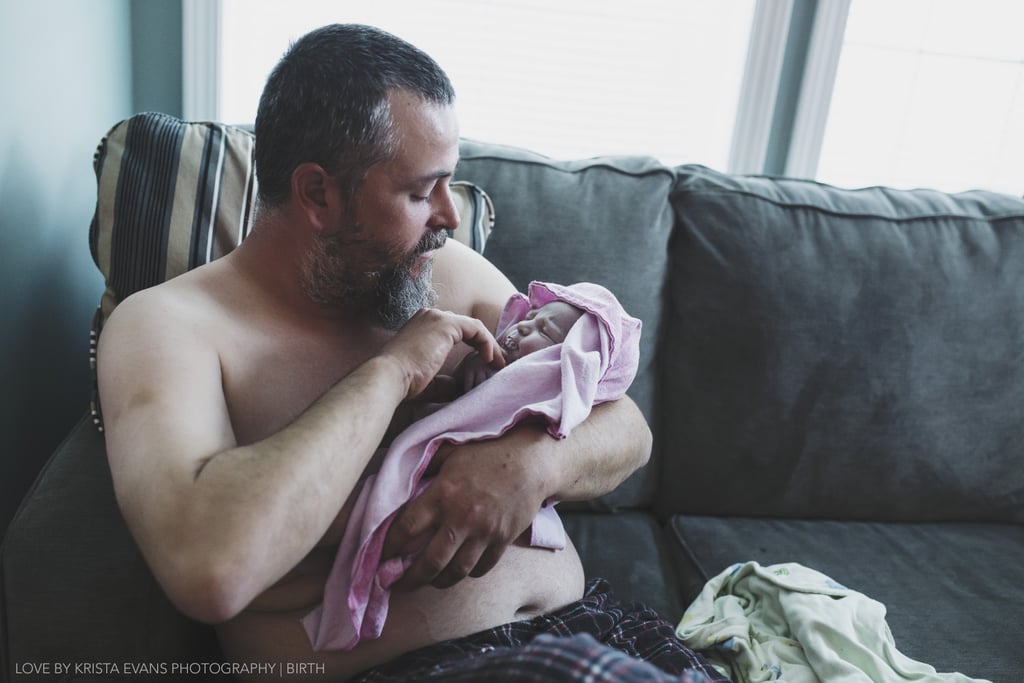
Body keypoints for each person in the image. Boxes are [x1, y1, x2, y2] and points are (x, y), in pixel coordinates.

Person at [97, 23, 729, 683]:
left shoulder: (443, 270)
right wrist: (391, 371)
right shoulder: (169, 327)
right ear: (317, 194)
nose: (451, 217)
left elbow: (626, 425)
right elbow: (210, 568)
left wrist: (532, 465)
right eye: (421, 190)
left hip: (601, 630)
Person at [305, 281, 643, 652]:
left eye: (544, 329)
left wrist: (534, 464)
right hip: (443, 658)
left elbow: (634, 430)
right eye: (528, 318)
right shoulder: (232, 332)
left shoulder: (455, 267)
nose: (523, 327)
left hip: (585, 619)